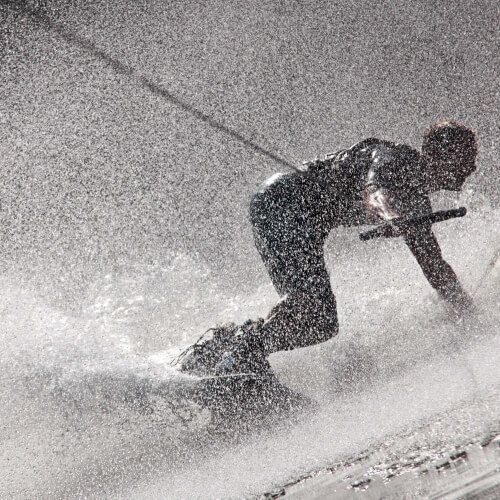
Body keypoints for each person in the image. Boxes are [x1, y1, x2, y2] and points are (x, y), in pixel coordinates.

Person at [183, 121, 477, 376]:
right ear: (443, 156)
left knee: (320, 322)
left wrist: (472, 316)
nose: (472, 168)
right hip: (282, 202)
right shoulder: (395, 159)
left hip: (303, 221)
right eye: (467, 158)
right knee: (317, 315)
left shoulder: (417, 203)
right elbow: (375, 192)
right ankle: (244, 353)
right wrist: (391, 215)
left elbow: (436, 269)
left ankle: (227, 344)